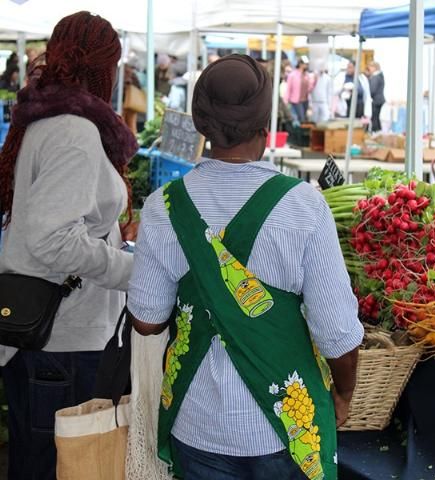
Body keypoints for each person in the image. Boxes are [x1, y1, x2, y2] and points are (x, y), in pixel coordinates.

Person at [128, 54, 363, 479]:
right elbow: (338, 333)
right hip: (285, 431)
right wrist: (344, 394)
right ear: (264, 122)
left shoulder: (163, 206)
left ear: (201, 121)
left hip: (196, 424)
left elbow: (146, 321)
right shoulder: (303, 206)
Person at [0, 11, 138, 479]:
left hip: (53, 341)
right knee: (54, 469)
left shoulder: (49, 118)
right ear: (105, 68)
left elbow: (56, 220)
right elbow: (52, 238)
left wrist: (113, 237)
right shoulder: (74, 131)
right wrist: (129, 271)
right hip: (62, 346)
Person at [284, 58, 314, 123]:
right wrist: (286, 100)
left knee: (304, 117)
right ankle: (300, 131)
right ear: (300, 64)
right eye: (305, 64)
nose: (307, 65)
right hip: (296, 100)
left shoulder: (307, 75)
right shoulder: (292, 75)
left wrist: (314, 81)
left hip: (305, 100)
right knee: (301, 117)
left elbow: (309, 89)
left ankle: (302, 130)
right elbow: (288, 88)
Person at [123, 63, 144, 134]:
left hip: (132, 104)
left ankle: (132, 139)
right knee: (122, 123)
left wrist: (131, 84)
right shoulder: (120, 76)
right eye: (126, 71)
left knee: (131, 125)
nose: (127, 72)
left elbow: (139, 88)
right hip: (123, 104)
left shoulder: (133, 76)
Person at [367, 61, 386, 132]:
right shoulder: (380, 76)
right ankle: (377, 131)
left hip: (376, 100)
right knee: (376, 118)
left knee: (375, 118)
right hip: (379, 100)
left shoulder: (376, 77)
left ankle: (376, 132)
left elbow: (372, 90)